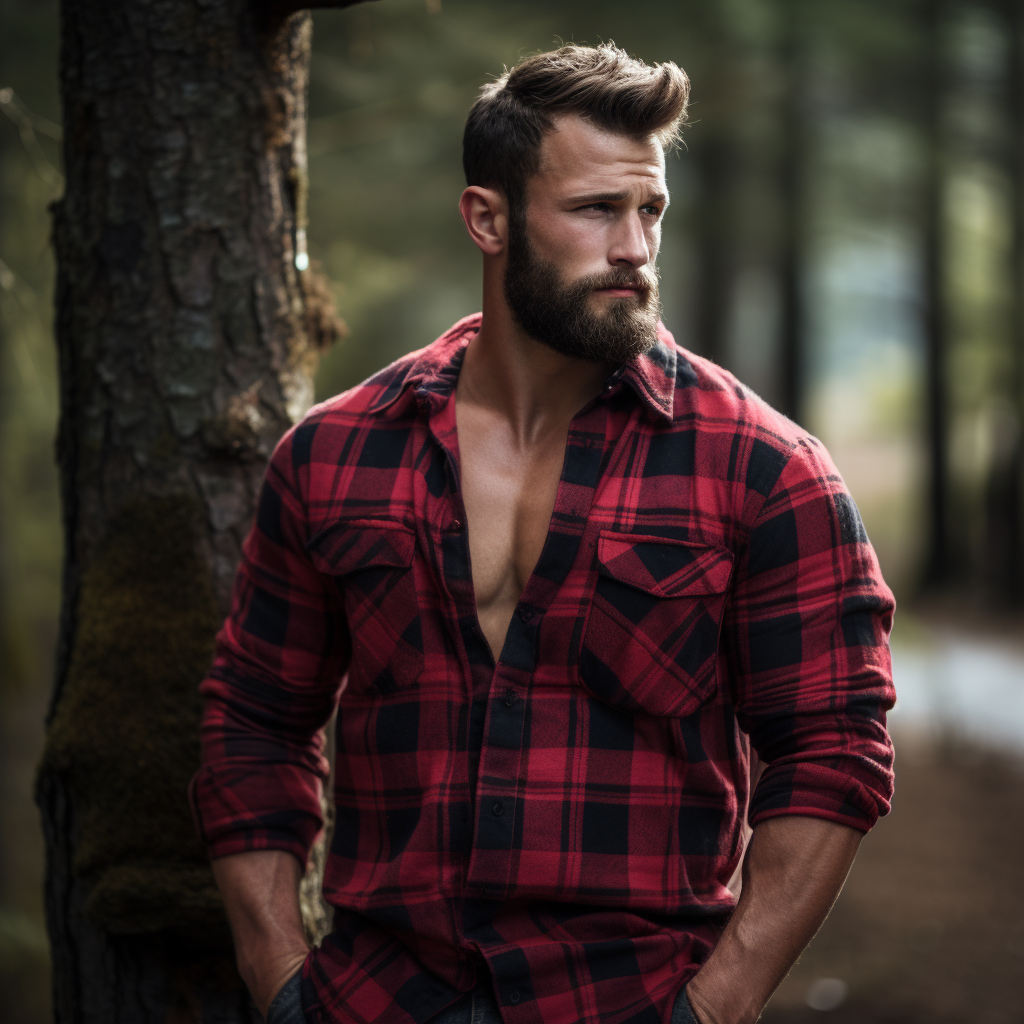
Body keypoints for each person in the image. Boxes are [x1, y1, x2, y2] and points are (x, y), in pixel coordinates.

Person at [190, 43, 896, 1024]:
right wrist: (280, 979)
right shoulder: (336, 455)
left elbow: (833, 751)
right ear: (488, 217)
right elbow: (255, 721)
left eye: (649, 209)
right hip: (376, 1000)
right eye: (596, 210)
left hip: (626, 1000)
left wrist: (710, 1009)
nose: (635, 248)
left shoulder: (763, 470)